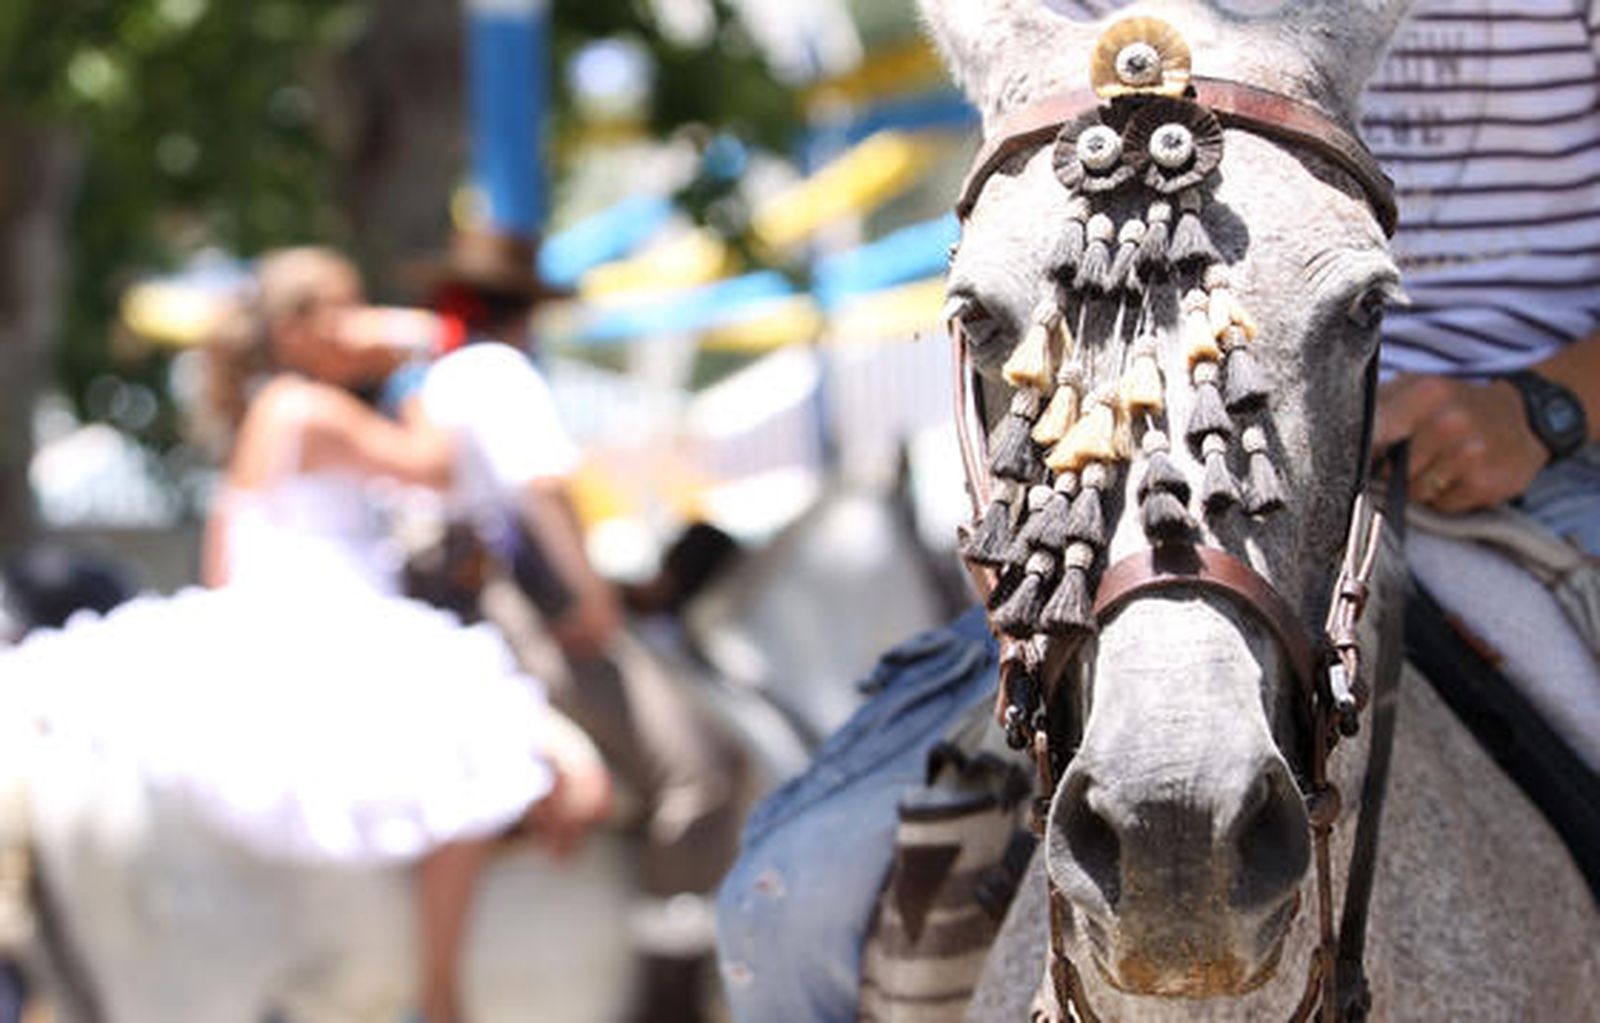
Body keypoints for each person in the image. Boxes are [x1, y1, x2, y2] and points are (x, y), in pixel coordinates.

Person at [717, 2, 1600, 1019]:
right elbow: (1044, 258)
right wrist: (1025, 488)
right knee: (784, 906)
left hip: (1530, 464)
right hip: (1165, 496)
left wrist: (1549, 401)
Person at [1, 246, 609, 1023]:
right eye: (345, 309)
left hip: (303, 607)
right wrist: (432, 356)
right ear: (297, 328)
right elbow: (434, 467)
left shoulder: (281, 409)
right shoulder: (306, 406)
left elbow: (226, 551)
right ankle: (441, 989)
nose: (360, 324)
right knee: (479, 758)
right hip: (334, 614)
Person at [386, 228, 747, 1022]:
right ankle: (671, 997)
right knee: (704, 770)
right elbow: (542, 490)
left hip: (455, 606)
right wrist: (593, 595)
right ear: (525, 312)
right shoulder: (499, 370)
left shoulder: (440, 378)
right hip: (511, 614)